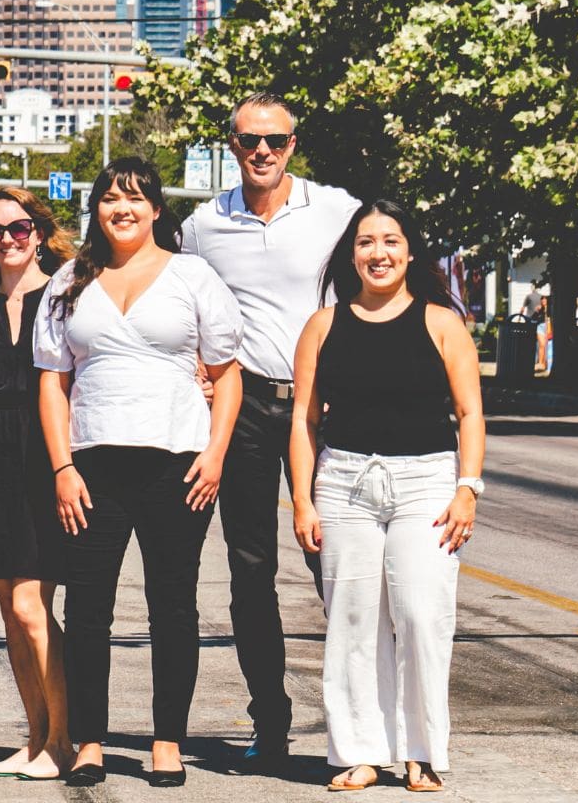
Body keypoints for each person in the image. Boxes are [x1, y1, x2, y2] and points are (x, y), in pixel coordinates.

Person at [35, 158, 243, 788]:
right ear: (94, 210)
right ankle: (90, 740)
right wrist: (62, 467)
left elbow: (228, 372)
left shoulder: (193, 276)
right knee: (89, 605)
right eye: (108, 200)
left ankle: (166, 742)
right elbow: (53, 380)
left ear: (156, 209)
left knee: (173, 605)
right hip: (92, 462)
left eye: (135, 199)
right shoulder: (70, 279)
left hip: (179, 462)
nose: (121, 210)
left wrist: (215, 454)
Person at [178, 91, 360, 769]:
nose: (262, 152)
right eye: (249, 140)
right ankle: (271, 723)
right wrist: (194, 366)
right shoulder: (203, 224)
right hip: (246, 406)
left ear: (292, 144)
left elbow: (372, 291)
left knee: (334, 563)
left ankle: (357, 723)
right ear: (232, 145)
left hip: (324, 407)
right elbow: (183, 301)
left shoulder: (337, 212)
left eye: (274, 141)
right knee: (249, 571)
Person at [290, 200, 485, 793]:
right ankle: (359, 751)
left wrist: (467, 489)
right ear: (352, 255)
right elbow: (303, 419)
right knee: (352, 619)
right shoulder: (323, 326)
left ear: (410, 252)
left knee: (423, 615)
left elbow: (470, 411)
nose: (379, 253)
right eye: (367, 242)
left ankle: (421, 752)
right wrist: (303, 498)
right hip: (345, 482)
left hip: (426, 481)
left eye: (391, 241)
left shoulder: (442, 323)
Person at [0, 187, 73, 781]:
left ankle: (62, 739)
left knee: (33, 606)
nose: (8, 239)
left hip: (42, 455)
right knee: (8, 607)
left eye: (19, 228)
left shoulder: (64, 293)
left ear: (39, 232)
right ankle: (34, 737)